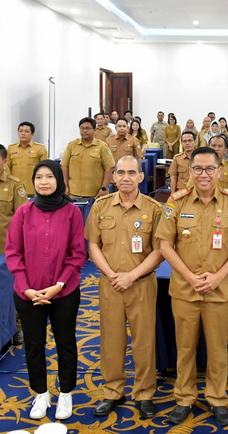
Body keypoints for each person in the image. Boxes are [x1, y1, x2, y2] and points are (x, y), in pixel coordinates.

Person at [156, 147, 228, 427]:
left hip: (219, 290)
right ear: (190, 171)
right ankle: (184, 397)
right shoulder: (176, 202)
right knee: (184, 348)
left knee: (218, 348)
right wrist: (189, 276)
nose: (203, 174)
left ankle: (217, 397)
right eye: (197, 168)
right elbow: (165, 244)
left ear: (219, 171)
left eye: (210, 168)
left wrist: (218, 276)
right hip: (185, 290)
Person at [5, 160, 86, 422]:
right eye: (39, 177)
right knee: (33, 344)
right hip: (28, 294)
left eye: (49, 176)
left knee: (66, 342)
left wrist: (59, 284)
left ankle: (65, 392)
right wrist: (27, 288)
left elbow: (77, 254)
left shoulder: (72, 212)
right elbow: (13, 253)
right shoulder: (24, 212)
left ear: (58, 180)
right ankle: (40, 392)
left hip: (63, 291)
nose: (44, 182)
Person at [87, 156, 164, 419]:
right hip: (110, 285)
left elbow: (160, 251)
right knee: (111, 340)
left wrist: (131, 275)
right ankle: (113, 391)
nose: (126, 177)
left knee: (143, 342)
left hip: (141, 284)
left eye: (132, 172)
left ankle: (144, 393)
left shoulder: (154, 209)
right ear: (114, 177)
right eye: (120, 172)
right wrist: (111, 274)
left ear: (142, 177)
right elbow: (93, 245)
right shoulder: (101, 206)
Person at [60, 117, 115, 199]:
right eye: (82, 128)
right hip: (73, 193)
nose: (84, 131)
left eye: (87, 128)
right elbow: (64, 166)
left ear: (94, 130)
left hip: (95, 194)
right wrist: (65, 186)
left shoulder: (102, 147)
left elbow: (109, 167)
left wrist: (104, 188)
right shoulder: (72, 145)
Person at [6, 121, 49, 197]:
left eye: (26, 131)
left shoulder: (40, 148)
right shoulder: (11, 148)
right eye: (21, 131)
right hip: (15, 188)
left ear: (32, 134)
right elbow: (6, 167)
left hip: (33, 188)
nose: (23, 133)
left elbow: (45, 168)